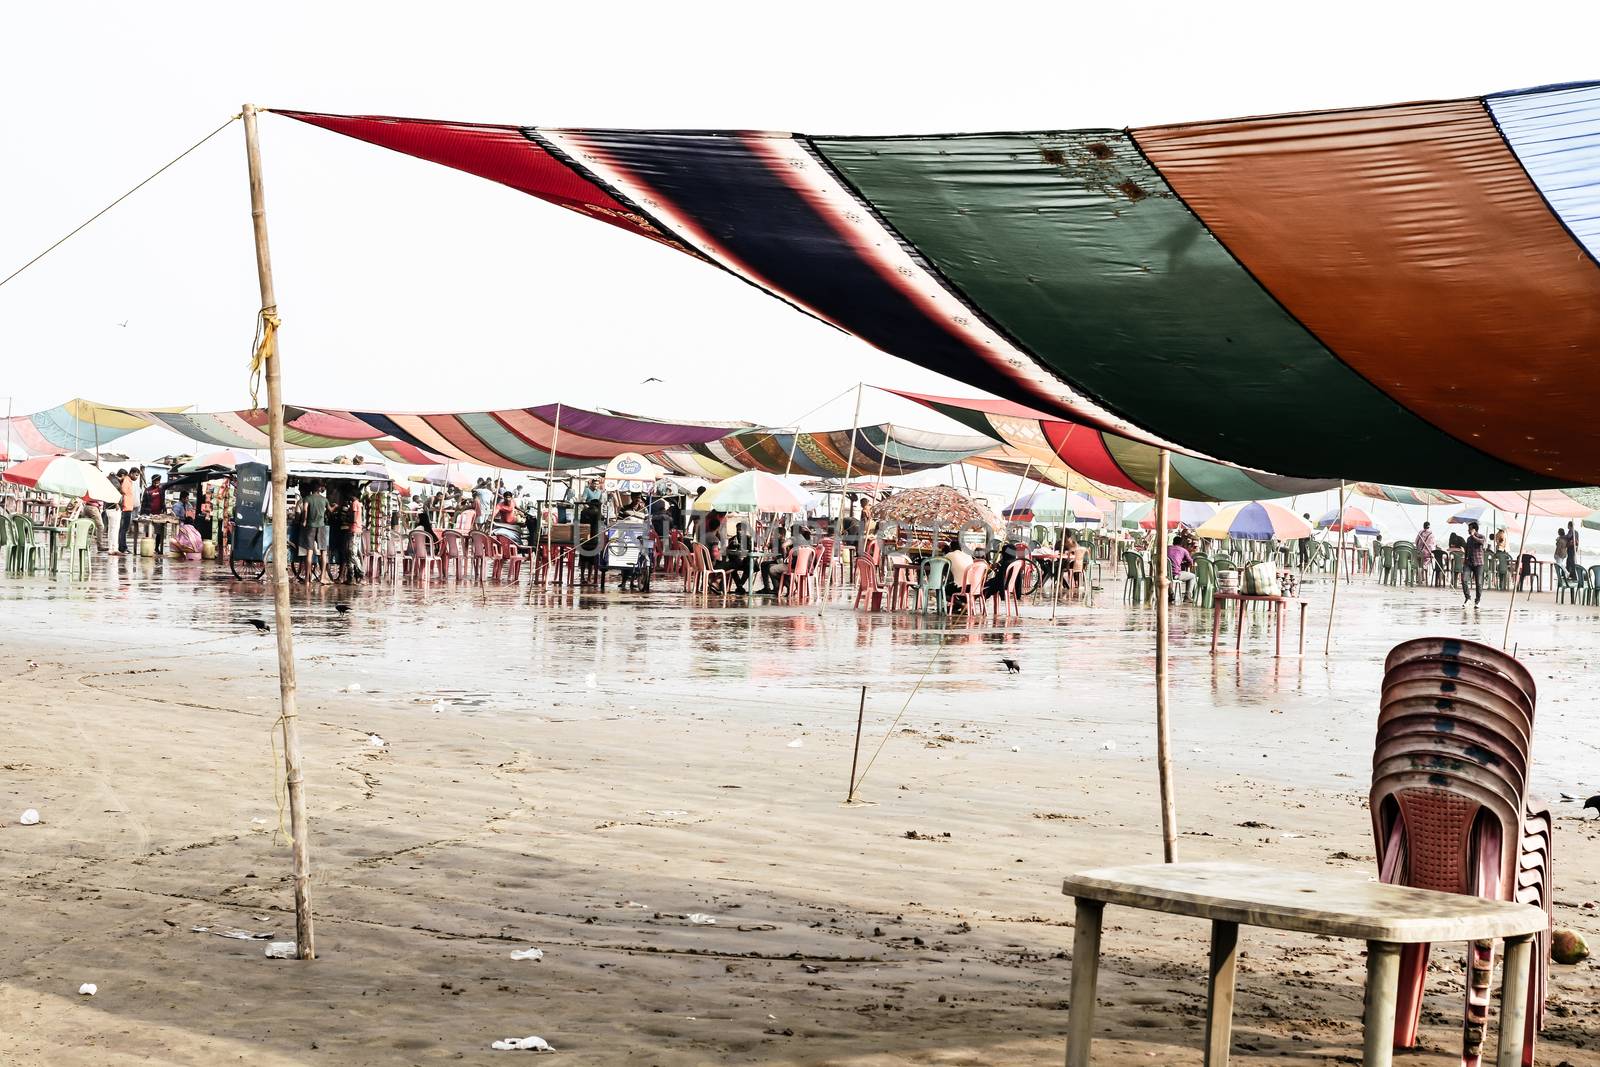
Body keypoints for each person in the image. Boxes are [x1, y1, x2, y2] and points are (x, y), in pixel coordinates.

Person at [304, 482, 330, 585]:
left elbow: (305, 509)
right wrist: (335, 507)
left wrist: (305, 520)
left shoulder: (308, 498)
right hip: (321, 527)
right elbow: (330, 510)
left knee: (309, 553)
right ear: (320, 489)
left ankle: (307, 579)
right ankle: (323, 577)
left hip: (310, 527)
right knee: (323, 552)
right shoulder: (324, 500)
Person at [722, 521, 754, 593]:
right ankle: (740, 586)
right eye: (738, 530)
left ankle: (739, 585)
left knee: (750, 565)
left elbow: (752, 550)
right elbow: (727, 551)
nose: (739, 532)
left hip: (746, 561)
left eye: (741, 530)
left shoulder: (749, 539)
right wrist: (733, 546)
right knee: (732, 567)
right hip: (736, 561)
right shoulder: (732, 539)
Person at [1462, 520, 1487, 605]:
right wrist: (1465, 559)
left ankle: (1477, 601)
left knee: (1479, 583)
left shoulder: (1481, 536)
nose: (1468, 530)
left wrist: (1473, 536)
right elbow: (1467, 550)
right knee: (1464, 579)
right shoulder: (1468, 539)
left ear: (1474, 529)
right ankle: (1467, 598)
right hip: (1468, 563)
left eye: (1469, 529)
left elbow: (1482, 542)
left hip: (1479, 563)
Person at [142, 474, 168, 555]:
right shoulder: (147, 490)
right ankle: (148, 547)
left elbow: (163, 501)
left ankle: (157, 547)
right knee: (148, 531)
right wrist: (142, 514)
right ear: (152, 481)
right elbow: (143, 503)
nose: (157, 483)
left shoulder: (161, 489)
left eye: (158, 482)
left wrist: (164, 509)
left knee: (159, 532)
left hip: (159, 514)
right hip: (149, 513)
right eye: (155, 482)